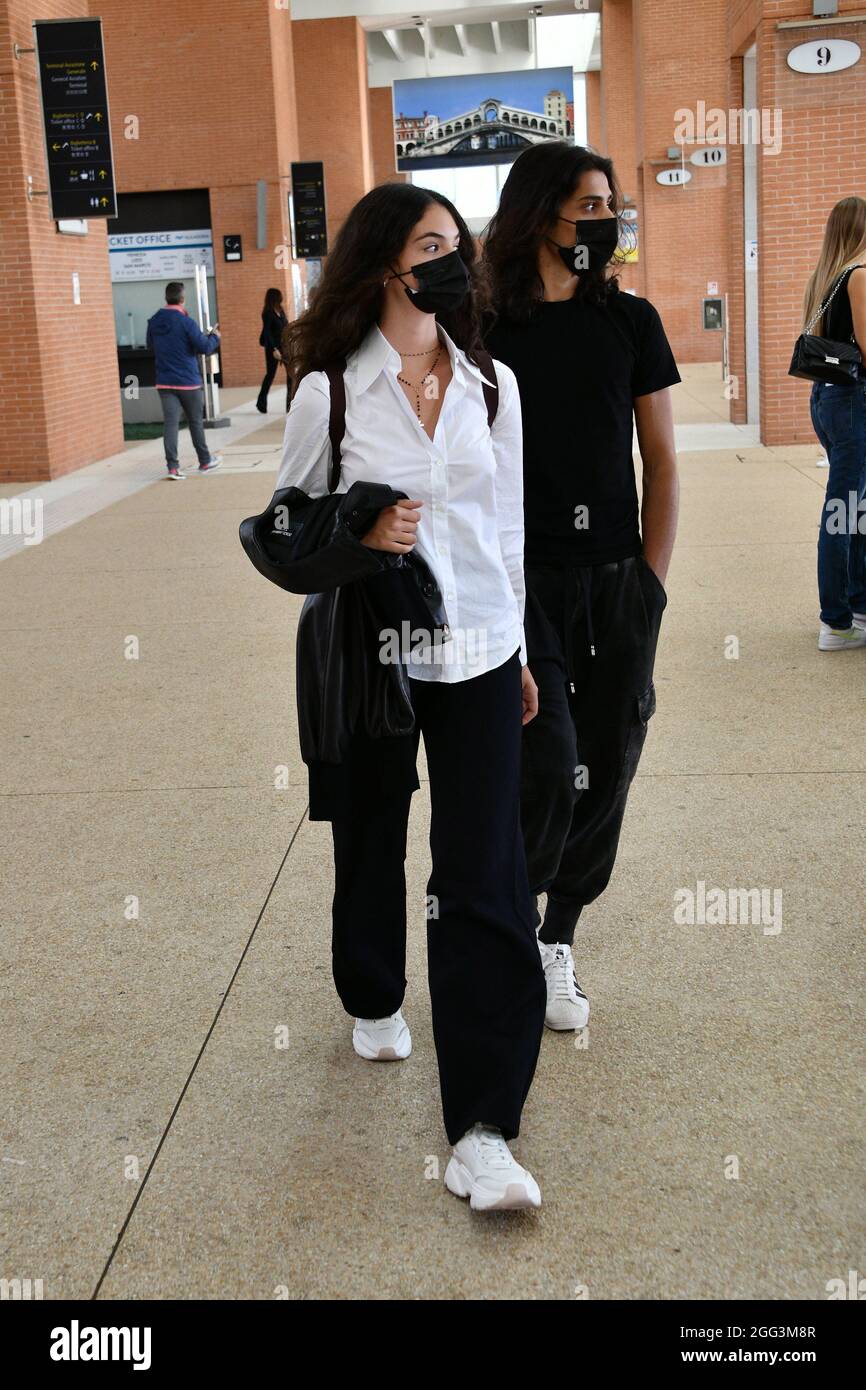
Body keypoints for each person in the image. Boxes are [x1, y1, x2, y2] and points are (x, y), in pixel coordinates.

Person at [277, 182, 547, 1211]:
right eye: (428, 245)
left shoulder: (491, 386)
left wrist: (518, 646)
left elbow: (502, 530)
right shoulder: (329, 394)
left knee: (482, 870)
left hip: (477, 648)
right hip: (373, 649)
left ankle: (482, 1130)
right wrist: (361, 530)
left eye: (456, 245)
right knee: (372, 836)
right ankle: (373, 989)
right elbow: (289, 523)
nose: (450, 262)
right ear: (382, 265)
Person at [484, 142, 680, 1029]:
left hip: (615, 582)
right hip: (524, 582)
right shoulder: (485, 329)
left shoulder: (631, 320)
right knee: (548, 764)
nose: (605, 222)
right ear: (540, 215)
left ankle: (556, 938)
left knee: (610, 763)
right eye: (589, 207)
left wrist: (650, 584)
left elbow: (663, 460)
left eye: (610, 206)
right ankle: (511, 928)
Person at [803, 196, 866, 650]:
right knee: (843, 512)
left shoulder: (825, 277)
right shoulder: (859, 276)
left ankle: (857, 606)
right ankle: (837, 622)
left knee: (854, 507)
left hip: (827, 397)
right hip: (853, 401)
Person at [146, 281, 222, 479]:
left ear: (167, 297)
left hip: (164, 380)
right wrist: (215, 336)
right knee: (195, 422)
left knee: (170, 424)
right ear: (182, 299)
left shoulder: (154, 321)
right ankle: (205, 461)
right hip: (188, 381)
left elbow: (151, 347)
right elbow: (204, 347)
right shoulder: (186, 322)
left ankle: (172, 467)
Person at [255, 287, 291, 414]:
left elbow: (286, 326)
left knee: (290, 375)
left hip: (285, 347)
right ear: (274, 297)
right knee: (270, 375)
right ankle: (261, 403)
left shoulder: (280, 310)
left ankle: (289, 405)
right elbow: (267, 333)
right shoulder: (267, 313)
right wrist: (274, 349)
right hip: (273, 348)